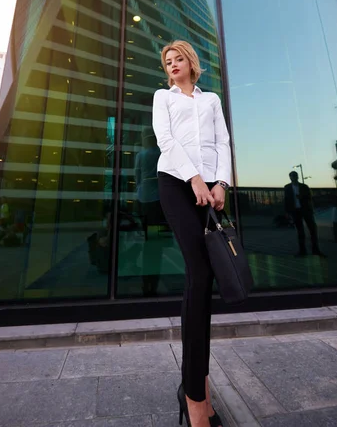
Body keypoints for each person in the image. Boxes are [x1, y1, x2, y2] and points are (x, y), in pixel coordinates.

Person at [152, 41, 231, 427]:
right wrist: (196, 178)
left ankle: (193, 383)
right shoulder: (162, 98)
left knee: (204, 279)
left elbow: (222, 143)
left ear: (190, 62)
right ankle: (196, 398)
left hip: (208, 188)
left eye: (177, 58)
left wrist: (222, 184)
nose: (172, 65)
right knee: (199, 274)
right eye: (167, 61)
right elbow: (165, 141)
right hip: (175, 184)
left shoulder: (211, 99)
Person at [284, 171, 326, 258]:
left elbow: (309, 197)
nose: (294, 177)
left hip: (305, 210)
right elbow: (286, 200)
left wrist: (301, 197)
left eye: (295, 176)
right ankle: (303, 251)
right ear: (290, 177)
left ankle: (315, 250)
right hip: (295, 211)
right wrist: (287, 212)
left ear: (297, 177)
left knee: (312, 230)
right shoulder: (287, 187)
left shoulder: (304, 187)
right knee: (300, 231)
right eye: (292, 176)